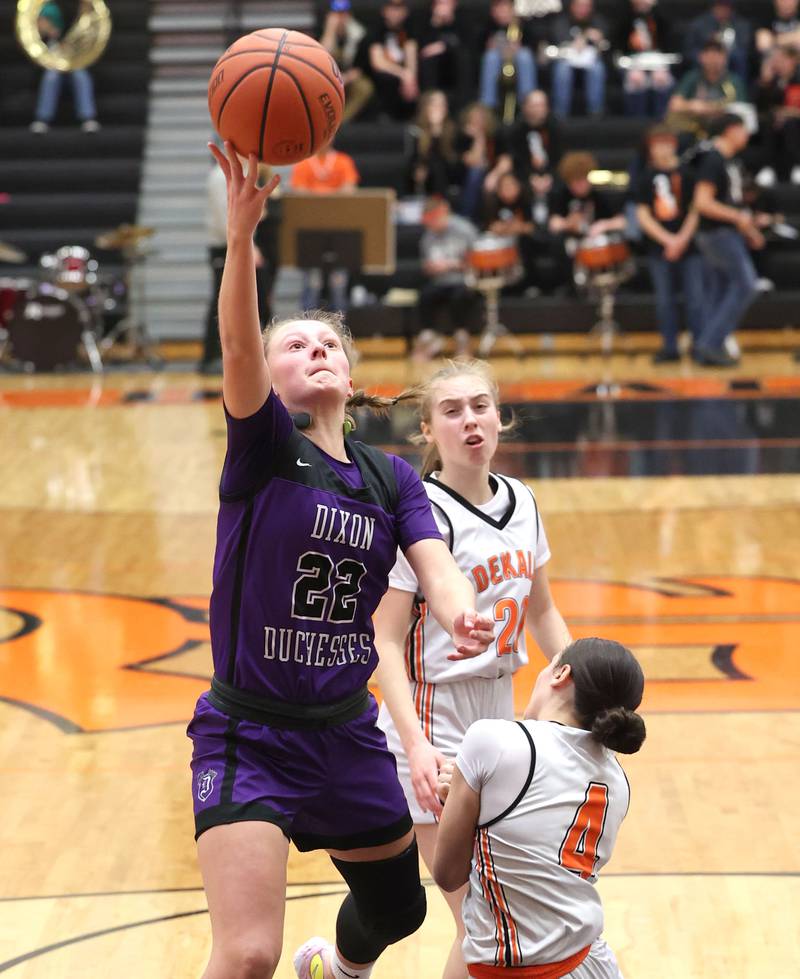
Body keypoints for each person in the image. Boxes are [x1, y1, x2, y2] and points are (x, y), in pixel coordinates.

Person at [191, 139, 495, 979]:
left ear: (352, 373)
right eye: (295, 348)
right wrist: (244, 233)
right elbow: (238, 346)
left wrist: (460, 604)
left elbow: (434, 560)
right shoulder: (263, 446)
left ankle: (332, 966)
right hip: (249, 730)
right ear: (273, 380)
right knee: (249, 952)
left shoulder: (390, 476)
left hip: (344, 733)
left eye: (326, 345)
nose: (312, 352)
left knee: (400, 905)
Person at [374, 358, 572, 979]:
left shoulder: (525, 500)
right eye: (452, 411)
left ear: (499, 418)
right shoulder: (419, 514)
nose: (470, 421)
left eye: (480, 406)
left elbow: (541, 610)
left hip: (501, 715)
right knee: (483, 920)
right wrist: (415, 746)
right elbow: (384, 639)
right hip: (433, 719)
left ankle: (339, 967)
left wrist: (578, 681)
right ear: (428, 430)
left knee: (492, 917)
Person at [432, 637, 646, 979]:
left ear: (561, 674)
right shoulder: (618, 781)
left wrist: (458, 800)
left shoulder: (494, 740)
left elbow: (448, 874)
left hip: (517, 970)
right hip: (591, 965)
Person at [693, 113, 770, 366]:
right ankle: (710, 343)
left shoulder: (730, 161)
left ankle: (707, 346)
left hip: (725, 233)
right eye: (743, 129)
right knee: (745, 285)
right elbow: (702, 203)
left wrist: (749, 229)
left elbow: (730, 204)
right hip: (717, 233)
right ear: (730, 130)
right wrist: (738, 218)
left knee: (718, 291)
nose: (747, 135)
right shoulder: (713, 160)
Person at [200, 153, 274, 374]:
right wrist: (249, 247)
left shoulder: (241, 175)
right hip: (226, 246)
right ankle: (209, 358)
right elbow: (229, 220)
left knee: (260, 302)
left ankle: (267, 356)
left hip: (240, 243)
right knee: (221, 302)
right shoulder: (218, 178)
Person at [635, 126, 704, 363]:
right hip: (659, 248)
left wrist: (682, 238)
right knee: (665, 300)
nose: (661, 150)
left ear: (673, 145)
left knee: (695, 298)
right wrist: (668, 240)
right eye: (656, 145)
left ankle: (699, 344)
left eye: (665, 143)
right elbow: (643, 216)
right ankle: (670, 346)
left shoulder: (689, 173)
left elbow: (696, 209)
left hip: (689, 245)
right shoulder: (645, 177)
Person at [290, 145, 360, 311]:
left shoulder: (343, 161)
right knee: (311, 286)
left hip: (340, 232)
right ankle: (307, 329)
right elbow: (298, 192)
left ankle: (340, 331)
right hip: (310, 233)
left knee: (339, 286)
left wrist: (316, 194)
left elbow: (350, 189)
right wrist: (333, 194)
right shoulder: (304, 163)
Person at [415, 197, 481, 360]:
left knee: (459, 296)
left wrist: (452, 265)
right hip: (439, 281)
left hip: (463, 280)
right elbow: (425, 264)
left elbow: (478, 260)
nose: (430, 226)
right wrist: (431, 267)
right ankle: (430, 339)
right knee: (426, 296)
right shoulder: (428, 236)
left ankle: (462, 340)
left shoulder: (465, 230)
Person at [30, 1, 100, 134]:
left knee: (80, 75)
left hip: (76, 60)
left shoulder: (85, 12)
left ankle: (88, 117)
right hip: (53, 60)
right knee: (51, 76)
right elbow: (36, 39)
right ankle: (42, 119)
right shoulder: (48, 8)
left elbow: (90, 43)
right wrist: (46, 33)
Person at [667, 37, 748, 138]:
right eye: (708, 53)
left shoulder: (734, 81)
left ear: (725, 58)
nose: (713, 58)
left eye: (717, 54)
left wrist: (705, 108)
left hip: (723, 130)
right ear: (701, 57)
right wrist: (691, 105)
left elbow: (738, 110)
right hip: (694, 128)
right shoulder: (693, 77)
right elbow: (674, 104)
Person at [485, 90, 562, 192]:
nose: (539, 109)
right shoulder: (513, 131)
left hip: (553, 175)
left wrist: (550, 177)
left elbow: (561, 157)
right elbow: (514, 159)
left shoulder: (556, 128)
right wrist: (530, 177)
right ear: (525, 107)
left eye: (542, 105)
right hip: (523, 176)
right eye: (535, 105)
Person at [548, 0, 611, 118]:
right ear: (572, 6)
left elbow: (605, 46)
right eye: (580, 6)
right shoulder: (562, 21)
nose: (583, 9)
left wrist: (599, 40)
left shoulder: (598, 21)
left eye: (587, 6)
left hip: (590, 61)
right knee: (562, 70)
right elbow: (558, 41)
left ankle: (596, 112)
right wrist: (583, 37)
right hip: (566, 60)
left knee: (598, 68)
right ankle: (560, 113)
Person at [478, 0, 538, 118]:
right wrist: (489, 46)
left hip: (517, 60)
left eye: (506, 9)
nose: (503, 13)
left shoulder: (523, 24)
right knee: (491, 57)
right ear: (493, 12)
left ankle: (528, 102)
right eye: (499, 10)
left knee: (524, 56)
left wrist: (518, 46)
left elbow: (534, 47)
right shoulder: (487, 26)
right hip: (497, 61)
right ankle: (487, 105)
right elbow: (477, 49)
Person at [617, 0, 676, 119]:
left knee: (661, 78)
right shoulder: (625, 17)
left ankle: (661, 119)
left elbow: (669, 43)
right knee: (636, 78)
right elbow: (619, 46)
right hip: (632, 61)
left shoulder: (659, 18)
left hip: (657, 60)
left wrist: (654, 9)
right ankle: (636, 120)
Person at [413, 0, 475, 112]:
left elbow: (470, 47)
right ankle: (428, 106)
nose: (444, 7)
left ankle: (463, 108)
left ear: (454, 4)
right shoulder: (424, 19)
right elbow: (422, 49)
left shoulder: (464, 18)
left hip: (456, 67)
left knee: (463, 58)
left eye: (447, 3)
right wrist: (435, 23)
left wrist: (444, 46)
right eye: (440, 3)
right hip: (434, 67)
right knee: (429, 59)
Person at [319, 0, 374, 123]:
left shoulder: (359, 35)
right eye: (336, 14)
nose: (340, 18)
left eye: (344, 14)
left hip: (349, 77)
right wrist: (330, 30)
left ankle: (340, 122)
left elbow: (359, 68)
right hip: (326, 77)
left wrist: (344, 79)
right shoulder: (323, 31)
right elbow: (321, 57)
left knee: (365, 87)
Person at [753, 44, 800, 185]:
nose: (778, 63)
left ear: (793, 60)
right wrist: (764, 83)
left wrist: (789, 113)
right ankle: (768, 168)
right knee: (768, 121)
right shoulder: (773, 82)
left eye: (782, 59)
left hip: (796, 123)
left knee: (790, 125)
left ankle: (797, 166)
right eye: (775, 60)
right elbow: (760, 106)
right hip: (776, 123)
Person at [366, 0, 419, 121]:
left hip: (404, 76)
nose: (396, 13)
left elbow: (411, 53)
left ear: (405, 12)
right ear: (385, 11)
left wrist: (411, 76)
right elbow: (378, 62)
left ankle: (412, 118)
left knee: (415, 80)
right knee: (386, 78)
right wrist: (403, 74)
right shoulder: (377, 31)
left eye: (399, 8)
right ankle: (385, 117)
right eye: (392, 8)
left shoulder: (408, 30)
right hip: (385, 76)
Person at [405, 89, 460, 197]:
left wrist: (437, 131)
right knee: (424, 168)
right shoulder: (415, 129)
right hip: (424, 175)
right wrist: (431, 132)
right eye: (434, 104)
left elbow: (451, 159)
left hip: (448, 173)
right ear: (426, 107)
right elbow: (416, 158)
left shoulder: (453, 129)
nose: (439, 108)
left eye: (442, 104)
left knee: (437, 166)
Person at [684, 0, 753, 83]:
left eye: (726, 7)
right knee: (699, 62)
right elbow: (689, 50)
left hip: (732, 57)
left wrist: (724, 56)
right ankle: (696, 90)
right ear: (713, 7)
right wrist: (705, 56)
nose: (722, 10)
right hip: (705, 58)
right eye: (719, 6)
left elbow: (744, 47)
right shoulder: (699, 24)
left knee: (740, 58)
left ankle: (739, 90)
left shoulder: (741, 24)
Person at [456, 102, 499, 222]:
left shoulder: (495, 135)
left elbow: (504, 159)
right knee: (476, 172)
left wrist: (495, 174)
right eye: (473, 118)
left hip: (492, 173)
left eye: (480, 118)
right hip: (466, 175)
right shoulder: (462, 138)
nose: (477, 121)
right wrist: (478, 137)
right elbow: (474, 161)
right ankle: (466, 219)